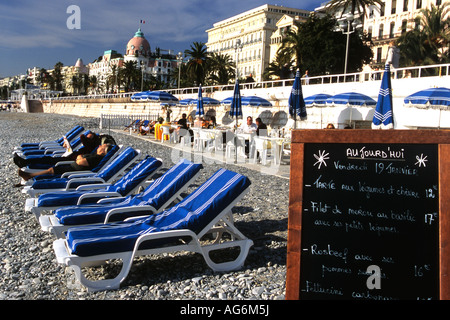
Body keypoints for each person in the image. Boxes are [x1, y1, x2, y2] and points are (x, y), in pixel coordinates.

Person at [17, 143, 113, 181]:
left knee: (52, 169)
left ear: (104, 152)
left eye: (102, 146)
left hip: (74, 173)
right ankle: (29, 173)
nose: (99, 146)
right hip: (71, 166)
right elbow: (80, 159)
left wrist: (79, 157)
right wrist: (79, 157)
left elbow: (81, 161)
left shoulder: (97, 158)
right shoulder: (94, 155)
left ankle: (30, 175)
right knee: (51, 165)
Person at [13, 131, 103, 168]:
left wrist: (90, 135)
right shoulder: (89, 146)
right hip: (69, 156)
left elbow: (82, 136)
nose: (86, 138)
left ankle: (25, 162)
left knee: (47, 159)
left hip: (69, 161)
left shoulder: (90, 147)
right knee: (47, 158)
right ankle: (26, 162)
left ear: (93, 140)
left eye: (89, 138)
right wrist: (68, 147)